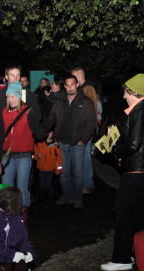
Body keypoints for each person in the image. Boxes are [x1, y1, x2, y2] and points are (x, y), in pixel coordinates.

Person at [103, 74, 144, 271]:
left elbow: (133, 145)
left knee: (122, 211)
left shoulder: (139, 111)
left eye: (126, 93)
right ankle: (139, 254)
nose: (124, 97)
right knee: (137, 212)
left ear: (132, 92)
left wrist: (113, 147)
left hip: (138, 168)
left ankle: (122, 258)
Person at [0, 82, 47, 211]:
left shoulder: (29, 112)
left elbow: (39, 134)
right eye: (8, 97)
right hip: (7, 154)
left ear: (19, 96)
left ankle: (23, 210)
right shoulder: (4, 111)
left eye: (12, 96)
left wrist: (48, 127)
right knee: (6, 187)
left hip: (23, 155)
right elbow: (1, 132)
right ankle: (8, 211)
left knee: (21, 187)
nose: (10, 99)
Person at [50, 75, 97, 209]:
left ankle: (77, 198)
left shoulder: (86, 101)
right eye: (68, 85)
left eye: (72, 84)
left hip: (78, 143)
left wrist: (83, 139)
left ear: (77, 84)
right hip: (63, 141)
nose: (70, 87)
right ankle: (67, 196)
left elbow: (91, 123)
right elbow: (53, 118)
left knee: (77, 173)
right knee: (64, 172)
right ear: (65, 86)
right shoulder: (60, 101)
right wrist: (55, 135)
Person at [0, 65, 40, 161]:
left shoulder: (28, 95)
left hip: (23, 146)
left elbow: (37, 117)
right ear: (6, 77)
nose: (15, 78)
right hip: (2, 143)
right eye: (12, 75)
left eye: (18, 75)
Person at [81, 84, 101, 195]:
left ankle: (86, 184)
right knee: (86, 158)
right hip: (90, 134)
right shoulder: (97, 103)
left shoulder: (85, 103)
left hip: (83, 134)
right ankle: (87, 184)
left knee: (84, 159)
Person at [33, 131, 62, 208]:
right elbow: (35, 155)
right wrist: (37, 155)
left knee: (48, 184)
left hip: (51, 168)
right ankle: (42, 199)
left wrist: (58, 169)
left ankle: (51, 198)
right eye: (47, 132)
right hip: (41, 168)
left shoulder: (55, 144)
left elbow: (58, 158)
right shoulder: (39, 143)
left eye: (50, 132)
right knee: (42, 185)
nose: (49, 134)